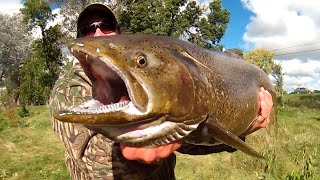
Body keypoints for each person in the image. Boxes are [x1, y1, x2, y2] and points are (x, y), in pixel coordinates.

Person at [50, 3, 273, 179]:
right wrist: (136, 157)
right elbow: (92, 162)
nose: (98, 33)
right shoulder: (69, 87)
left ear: (118, 32)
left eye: (106, 24)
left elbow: (189, 144)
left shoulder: (153, 81)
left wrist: (240, 132)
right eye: (87, 29)